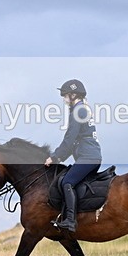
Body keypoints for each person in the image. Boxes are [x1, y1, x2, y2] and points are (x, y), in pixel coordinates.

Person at [44, 79, 102, 233]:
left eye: (65, 95)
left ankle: (70, 221)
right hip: (91, 156)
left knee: (67, 182)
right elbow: (73, 142)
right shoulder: (83, 109)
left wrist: (54, 157)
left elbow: (69, 139)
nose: (63, 99)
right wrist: (59, 157)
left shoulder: (78, 111)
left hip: (88, 158)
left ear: (73, 95)